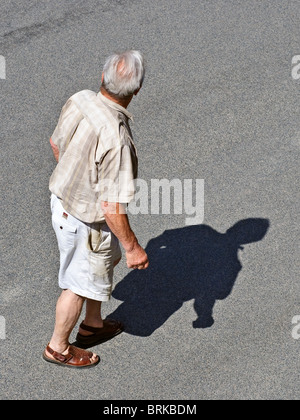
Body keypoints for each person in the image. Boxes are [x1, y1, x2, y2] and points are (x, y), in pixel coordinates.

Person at [43, 50, 149, 368]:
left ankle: (92, 324)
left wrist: (77, 179)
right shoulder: (118, 140)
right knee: (78, 285)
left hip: (61, 202)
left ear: (103, 77)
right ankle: (58, 347)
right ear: (137, 90)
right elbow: (111, 205)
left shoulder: (80, 100)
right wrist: (133, 248)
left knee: (102, 261)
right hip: (84, 222)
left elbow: (56, 144)